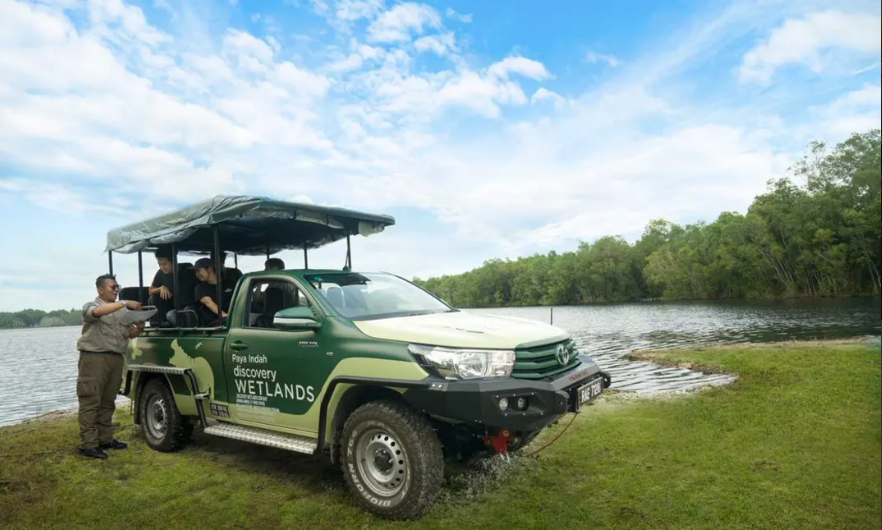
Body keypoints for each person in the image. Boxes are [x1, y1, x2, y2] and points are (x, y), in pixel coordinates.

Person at [76, 274, 145, 459]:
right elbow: (97, 313)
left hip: (116, 359)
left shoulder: (122, 312)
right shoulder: (91, 306)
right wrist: (124, 303)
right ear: (100, 289)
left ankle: (105, 439)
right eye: (112, 287)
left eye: (117, 287)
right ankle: (88, 444)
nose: (116, 290)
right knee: (91, 401)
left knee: (108, 401)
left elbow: (129, 334)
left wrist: (139, 326)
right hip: (94, 359)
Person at [194, 258, 234, 326]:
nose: (197, 274)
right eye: (196, 272)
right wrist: (224, 315)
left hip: (231, 318)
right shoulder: (200, 288)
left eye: (199, 271)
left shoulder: (229, 284)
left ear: (210, 269)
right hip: (213, 322)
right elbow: (209, 303)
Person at [148, 246, 175, 325]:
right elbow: (150, 290)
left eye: (165, 264)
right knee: (153, 297)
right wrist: (160, 288)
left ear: (173, 261)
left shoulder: (186, 272)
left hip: (182, 308)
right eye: (160, 264)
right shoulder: (160, 273)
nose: (162, 267)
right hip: (168, 306)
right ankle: (158, 322)